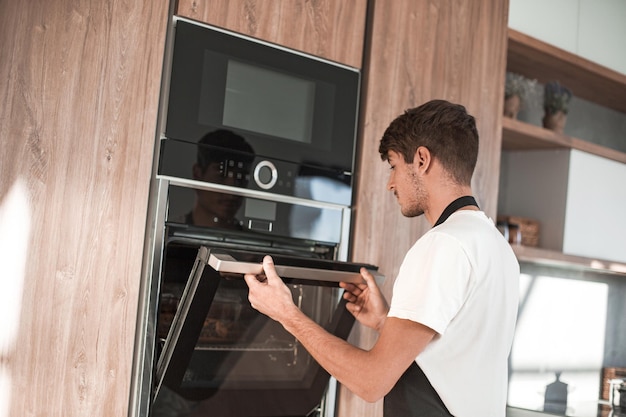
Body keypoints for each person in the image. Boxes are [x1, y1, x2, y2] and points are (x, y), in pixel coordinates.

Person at [244, 99, 520, 417]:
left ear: (421, 160)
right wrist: (384, 322)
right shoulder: (496, 246)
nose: (390, 183)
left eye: (393, 165)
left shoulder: (443, 244)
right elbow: (455, 355)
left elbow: (371, 382)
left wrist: (286, 314)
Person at [184, 129, 255, 229]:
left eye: (242, 177)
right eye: (222, 174)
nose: (232, 193)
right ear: (198, 175)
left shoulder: (255, 243)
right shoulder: (165, 234)